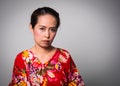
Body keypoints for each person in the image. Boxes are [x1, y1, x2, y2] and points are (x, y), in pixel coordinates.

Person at [9, 7, 85, 86]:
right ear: (32, 28)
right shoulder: (22, 58)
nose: (47, 35)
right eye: (42, 28)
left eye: (52, 30)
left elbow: (77, 83)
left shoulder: (64, 57)